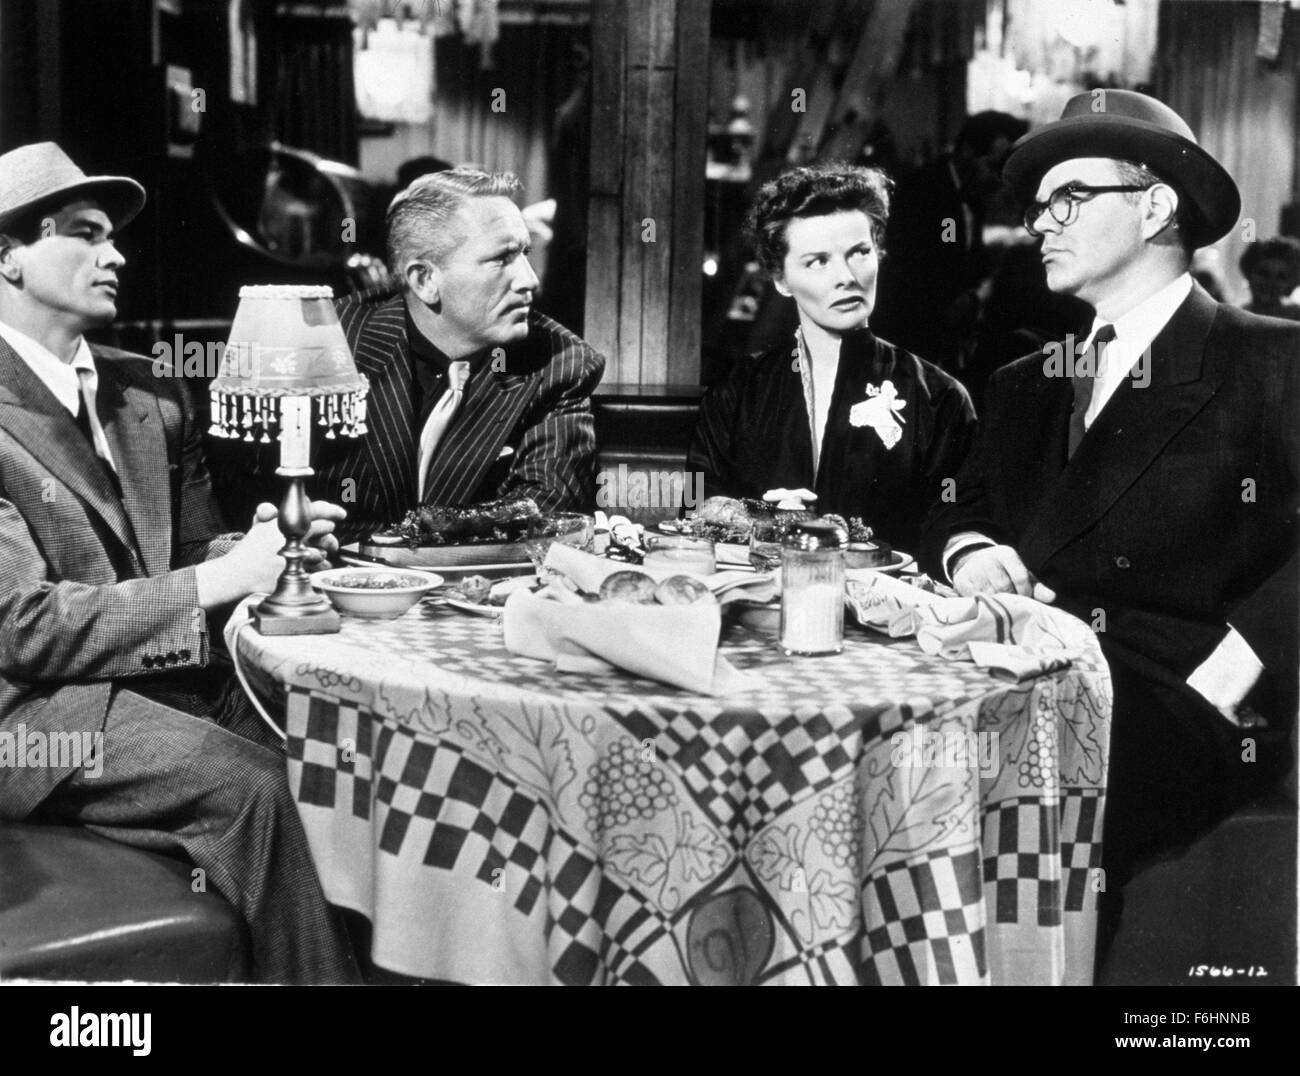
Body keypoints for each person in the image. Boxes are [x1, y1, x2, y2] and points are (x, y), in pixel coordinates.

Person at [919, 92, 1299, 960]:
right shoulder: (1022, 383)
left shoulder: (1273, 360)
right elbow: (956, 505)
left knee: (948, 769)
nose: (1039, 225)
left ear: (1157, 205)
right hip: (1029, 676)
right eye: (1035, 206)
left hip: (1183, 704)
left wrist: (1239, 670)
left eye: (1069, 199)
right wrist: (971, 551)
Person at [0, 142, 359, 983]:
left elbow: (197, 552)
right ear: (8, 255)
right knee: (259, 788)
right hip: (31, 720)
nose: (116, 253)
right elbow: (20, 628)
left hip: (159, 684)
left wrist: (269, 549)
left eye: (115, 236)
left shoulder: (150, 393)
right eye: (85, 233)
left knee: (339, 748)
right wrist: (217, 582)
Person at [219, 168, 604, 546]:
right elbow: (245, 498)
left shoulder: (558, 362)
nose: (529, 279)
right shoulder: (326, 341)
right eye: (502, 259)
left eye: (525, 253)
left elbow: (545, 521)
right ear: (424, 280)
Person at [686, 163, 977, 554]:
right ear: (781, 280)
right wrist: (765, 520)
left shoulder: (940, 397)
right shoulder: (737, 390)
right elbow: (698, 504)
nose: (846, 277)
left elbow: (956, 521)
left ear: (879, 254)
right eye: (818, 261)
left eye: (859, 253)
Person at [871, 111, 1029, 369]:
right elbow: (907, 268)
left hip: (944, 342)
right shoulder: (920, 190)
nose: (999, 179)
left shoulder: (973, 196)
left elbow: (964, 257)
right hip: (908, 339)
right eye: (993, 165)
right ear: (966, 152)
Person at [1240, 235, 1300, 321]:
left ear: (1291, 283)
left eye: (1281, 277)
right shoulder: (1240, 314)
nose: (1270, 283)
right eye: (1263, 273)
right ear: (1249, 273)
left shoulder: (1296, 316)